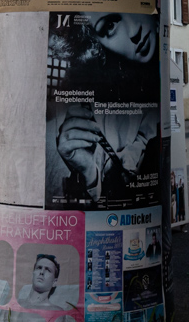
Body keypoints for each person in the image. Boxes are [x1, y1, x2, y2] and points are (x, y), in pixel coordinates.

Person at [53, 13, 160, 203]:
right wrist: (89, 171)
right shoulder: (94, 103)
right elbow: (106, 182)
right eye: (109, 25)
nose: (135, 31)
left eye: (132, 9)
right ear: (97, 46)